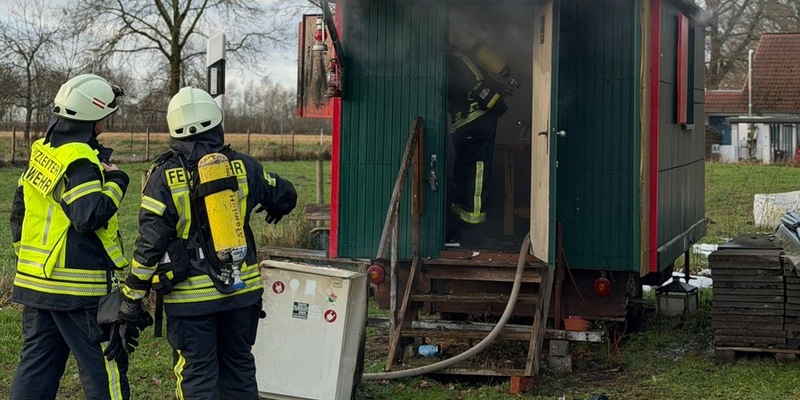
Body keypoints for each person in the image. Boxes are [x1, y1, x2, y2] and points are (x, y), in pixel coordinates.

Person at [121, 86, 297, 399]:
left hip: (190, 304)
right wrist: (274, 207)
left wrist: (131, 298)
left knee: (197, 378)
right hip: (243, 295)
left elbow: (149, 244)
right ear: (217, 123)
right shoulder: (245, 166)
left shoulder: (164, 177)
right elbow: (285, 194)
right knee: (239, 371)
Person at [9, 74, 131, 400]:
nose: (108, 119)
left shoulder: (44, 152)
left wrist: (31, 262)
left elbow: (18, 213)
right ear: (93, 118)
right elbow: (88, 216)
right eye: (105, 113)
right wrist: (118, 180)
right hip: (79, 291)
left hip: (38, 285)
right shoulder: (79, 158)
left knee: (36, 369)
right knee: (106, 371)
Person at [447, 41, 509, 226]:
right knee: (473, 167)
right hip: (476, 120)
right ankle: (468, 215)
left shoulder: (451, 61)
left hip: (469, 121)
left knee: (470, 167)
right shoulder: (461, 59)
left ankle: (468, 215)